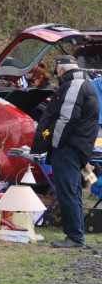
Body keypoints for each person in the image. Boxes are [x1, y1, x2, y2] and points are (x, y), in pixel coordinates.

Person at [31, 55, 99, 248]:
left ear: (61, 69)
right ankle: (76, 235)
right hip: (77, 147)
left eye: (57, 70)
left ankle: (75, 237)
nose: (57, 75)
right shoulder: (85, 83)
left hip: (68, 147)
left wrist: (53, 143)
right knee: (73, 191)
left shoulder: (74, 85)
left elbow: (67, 118)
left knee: (67, 191)